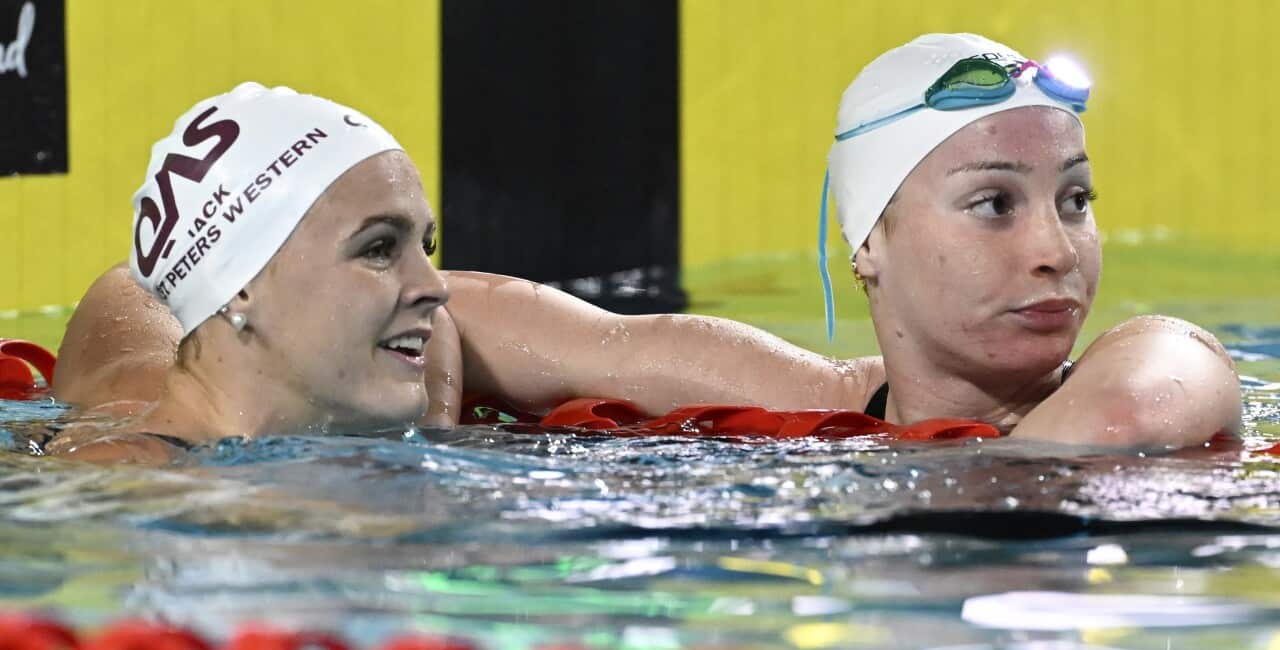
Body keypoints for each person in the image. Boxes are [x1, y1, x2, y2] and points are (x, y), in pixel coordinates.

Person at [53, 34, 1239, 458]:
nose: (1053, 251)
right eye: (993, 205)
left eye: (1073, 202)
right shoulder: (123, 450)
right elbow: (137, 294)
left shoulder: (443, 351)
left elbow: (1125, 418)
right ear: (864, 242)